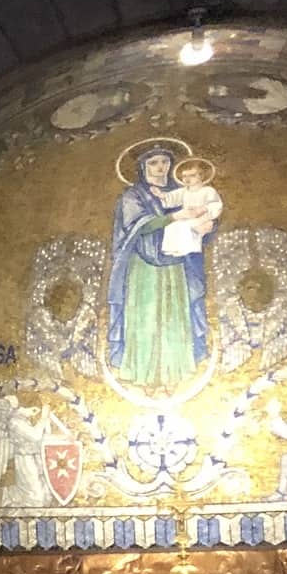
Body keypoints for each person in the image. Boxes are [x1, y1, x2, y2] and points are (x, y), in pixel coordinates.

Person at [109, 138, 215, 392]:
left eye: (165, 162)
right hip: (143, 265)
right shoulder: (133, 195)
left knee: (175, 314)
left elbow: (200, 220)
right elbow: (137, 224)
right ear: (143, 166)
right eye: (154, 162)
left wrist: (206, 225)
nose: (160, 167)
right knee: (144, 317)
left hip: (175, 260)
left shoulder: (182, 195)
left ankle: (175, 374)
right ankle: (142, 374)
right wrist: (174, 217)